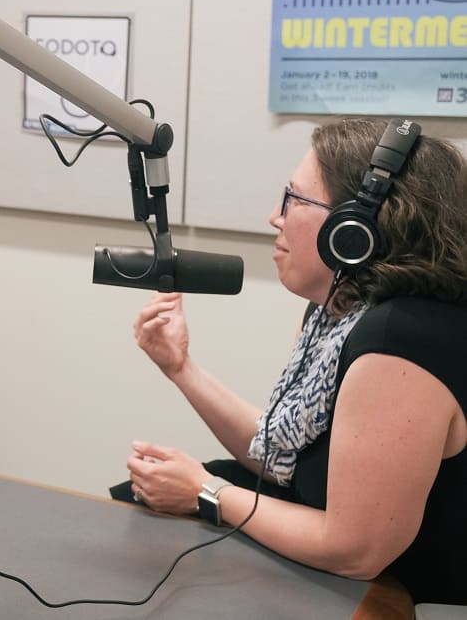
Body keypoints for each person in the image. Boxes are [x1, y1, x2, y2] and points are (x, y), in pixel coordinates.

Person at [124, 117, 467, 605]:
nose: (274, 217)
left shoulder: (402, 341)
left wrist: (206, 492)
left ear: (356, 230)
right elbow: (283, 459)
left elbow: (356, 549)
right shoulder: (343, 308)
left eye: (294, 200)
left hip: (394, 597)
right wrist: (182, 368)